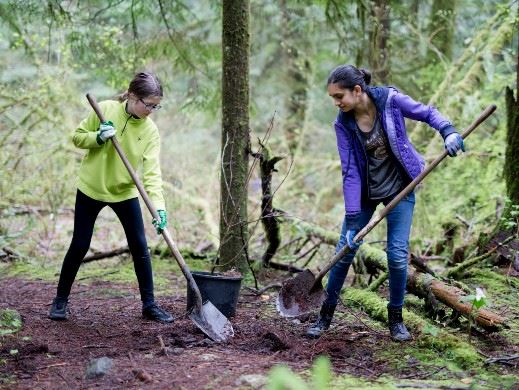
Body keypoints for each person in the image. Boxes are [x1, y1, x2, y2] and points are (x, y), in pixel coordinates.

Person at [306, 65, 464, 341]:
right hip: (366, 194)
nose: (336, 102)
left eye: (339, 96)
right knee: (344, 251)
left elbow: (427, 113)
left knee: (397, 255)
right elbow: (350, 172)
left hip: (401, 188)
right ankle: (324, 316)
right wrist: (354, 221)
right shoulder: (342, 123)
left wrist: (448, 131)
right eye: (333, 97)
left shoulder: (390, 101)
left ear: (357, 90)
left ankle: (395, 318)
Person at [48, 71, 173, 323]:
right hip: (91, 187)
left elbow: (152, 174)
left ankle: (149, 305)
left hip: (124, 192)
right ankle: (60, 301)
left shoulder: (150, 131)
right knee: (80, 244)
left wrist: (159, 208)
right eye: (149, 105)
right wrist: (97, 137)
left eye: (156, 106)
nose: (151, 110)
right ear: (133, 97)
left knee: (139, 245)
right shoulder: (105, 109)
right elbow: (77, 137)